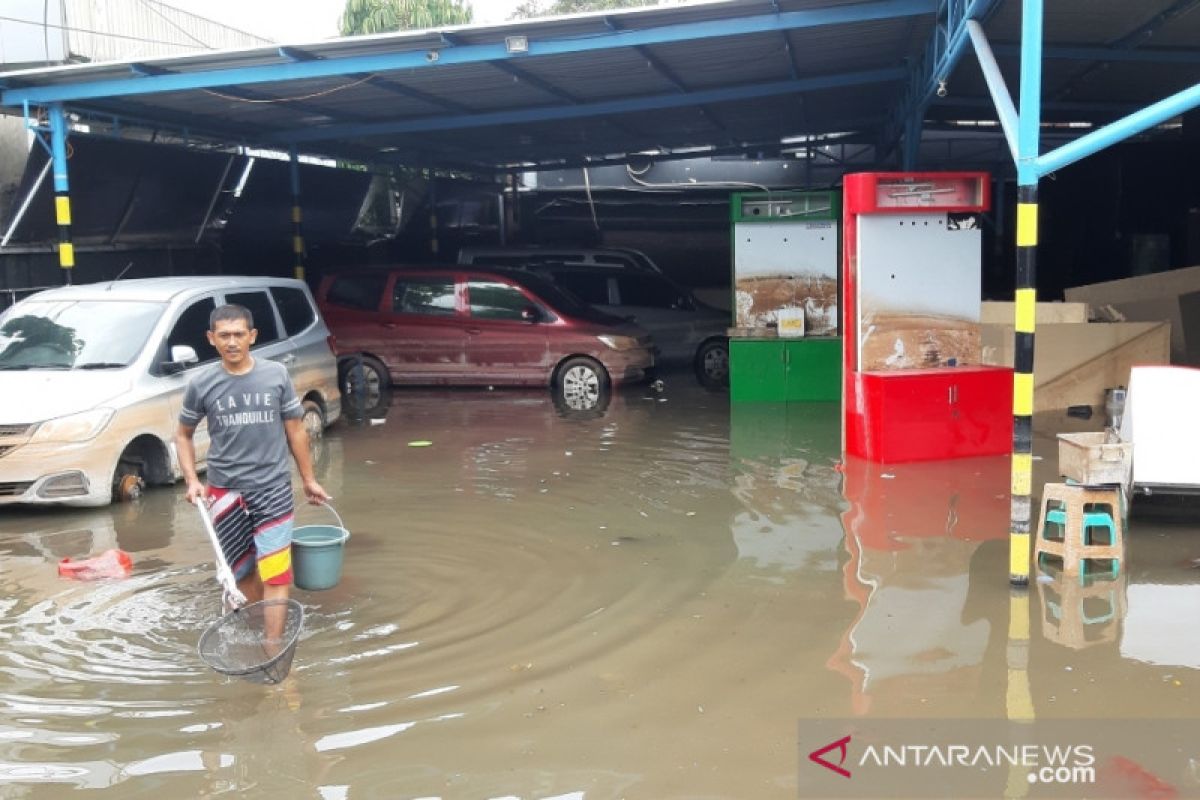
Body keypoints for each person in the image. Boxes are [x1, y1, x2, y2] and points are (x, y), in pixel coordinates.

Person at [175, 303, 329, 622]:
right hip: (224, 492)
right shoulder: (201, 384)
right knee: (242, 574)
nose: (232, 342)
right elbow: (183, 436)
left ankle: (274, 651)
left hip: (273, 487)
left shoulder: (276, 374)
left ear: (252, 336)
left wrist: (309, 479)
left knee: (275, 573)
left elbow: (296, 430)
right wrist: (191, 479)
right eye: (224, 335)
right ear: (211, 338)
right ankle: (259, 630)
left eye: (239, 334)